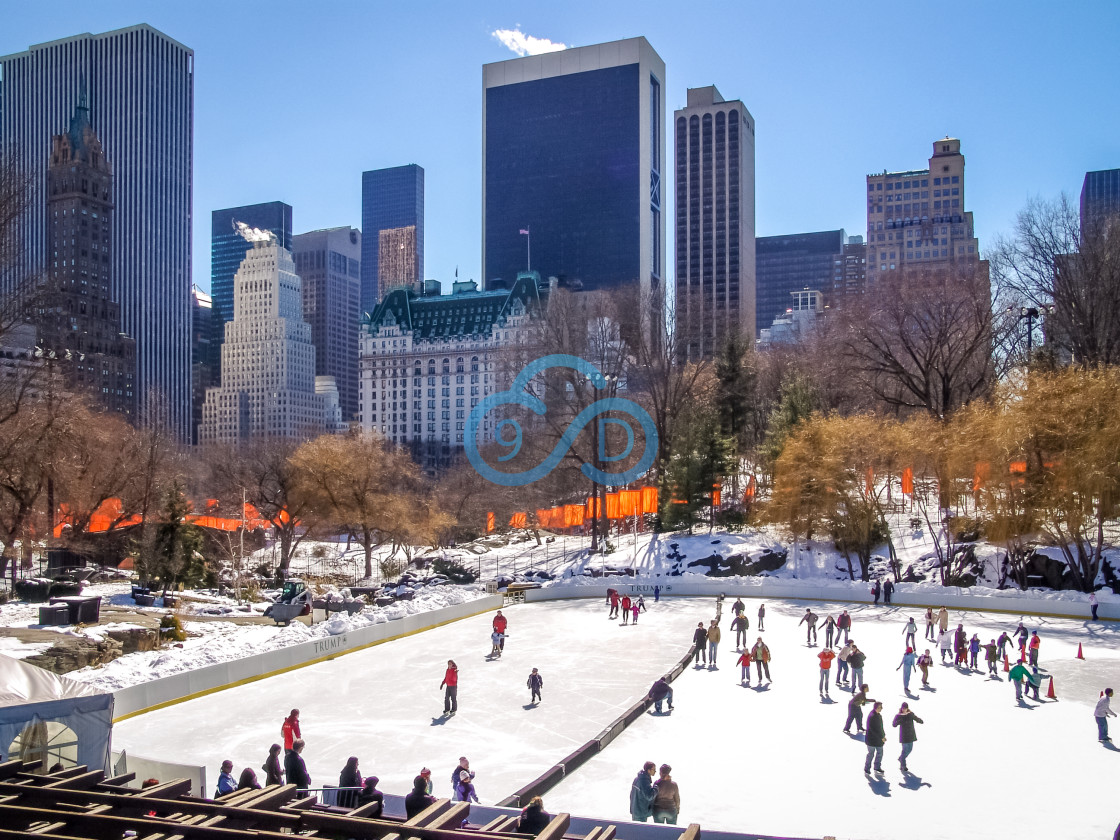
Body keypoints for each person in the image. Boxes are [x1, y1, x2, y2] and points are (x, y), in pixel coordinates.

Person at [892, 703, 923, 773]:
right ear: (901, 708)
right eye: (903, 708)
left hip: (911, 735)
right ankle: (903, 765)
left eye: (905, 708)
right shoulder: (898, 716)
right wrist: (900, 720)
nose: (904, 710)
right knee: (905, 750)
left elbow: (916, 718)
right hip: (904, 736)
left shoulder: (910, 714)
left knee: (910, 749)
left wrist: (920, 721)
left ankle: (901, 758)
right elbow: (894, 724)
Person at [864, 702, 886, 775]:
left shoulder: (878, 715)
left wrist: (883, 735)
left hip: (878, 740)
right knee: (871, 754)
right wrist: (881, 737)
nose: (882, 708)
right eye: (880, 707)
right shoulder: (872, 716)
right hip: (871, 740)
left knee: (880, 753)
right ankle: (867, 768)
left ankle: (877, 767)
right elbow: (872, 730)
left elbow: (880, 727)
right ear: (876, 708)